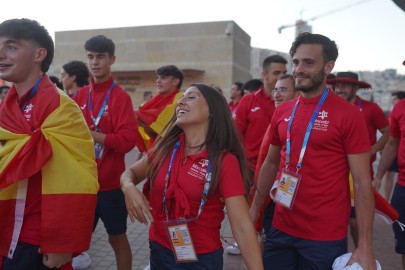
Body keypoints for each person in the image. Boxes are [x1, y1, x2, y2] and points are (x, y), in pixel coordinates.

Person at [250, 32, 376, 269]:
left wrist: (365, 246)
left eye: (309, 63)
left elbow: (361, 181)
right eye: (296, 62)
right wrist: (255, 208)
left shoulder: (348, 114)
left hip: (324, 236)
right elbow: (270, 163)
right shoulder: (283, 110)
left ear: (328, 67)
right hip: (281, 226)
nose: (299, 69)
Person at [120, 83, 263, 270]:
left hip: (201, 259)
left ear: (213, 110)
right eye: (181, 98)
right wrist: (128, 187)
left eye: (191, 97)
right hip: (159, 250)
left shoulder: (224, 161)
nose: (181, 102)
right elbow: (129, 174)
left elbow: (242, 226)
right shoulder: (165, 148)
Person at [0, 18, 99, 270]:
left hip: (35, 237)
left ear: (39, 54)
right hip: (6, 225)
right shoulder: (7, 107)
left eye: (11, 47)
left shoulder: (61, 107)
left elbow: (78, 178)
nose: (1, 54)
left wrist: (63, 243)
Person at [73, 34, 140, 270]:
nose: (94, 62)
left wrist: (94, 135)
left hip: (110, 186)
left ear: (112, 59)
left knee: (117, 239)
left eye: (100, 57)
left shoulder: (120, 97)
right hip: (83, 185)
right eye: (90, 57)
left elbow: (127, 142)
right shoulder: (80, 96)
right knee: (74, 243)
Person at [228, 55, 287, 255]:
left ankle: (267, 249)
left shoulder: (292, 102)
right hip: (250, 170)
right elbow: (235, 135)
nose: (280, 77)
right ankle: (244, 243)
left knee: (274, 217)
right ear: (264, 74)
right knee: (247, 212)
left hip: (281, 173)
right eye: (276, 73)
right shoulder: (248, 101)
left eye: (284, 73)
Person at [331, 71, 389, 247]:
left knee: (356, 222)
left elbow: (388, 132)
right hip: (332, 173)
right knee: (334, 220)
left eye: (345, 85)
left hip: (359, 174)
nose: (339, 88)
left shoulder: (371, 108)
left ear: (355, 88)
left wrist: (372, 151)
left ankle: (360, 253)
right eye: (337, 84)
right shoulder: (328, 108)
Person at [374, 67, 405, 269]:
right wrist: (379, 175)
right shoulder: (400, 107)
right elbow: (392, 143)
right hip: (403, 187)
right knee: (403, 243)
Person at [135, 65, 183, 151]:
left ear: (175, 81)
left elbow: (164, 126)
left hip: (172, 150)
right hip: (156, 149)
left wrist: (138, 117)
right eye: (158, 78)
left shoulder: (180, 99)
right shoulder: (156, 100)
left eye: (163, 78)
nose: (158, 81)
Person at [380, 90, 405, 200]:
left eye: (394, 98)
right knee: (389, 173)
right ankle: (386, 198)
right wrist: (378, 177)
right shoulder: (398, 109)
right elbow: (392, 139)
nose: (392, 101)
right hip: (402, 183)